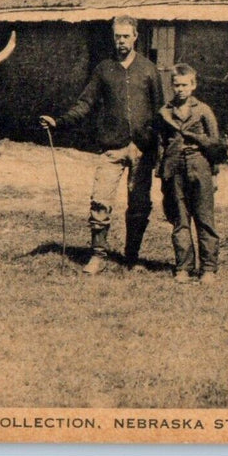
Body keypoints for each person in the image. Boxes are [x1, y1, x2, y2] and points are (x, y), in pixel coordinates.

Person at [39, 16, 164, 274]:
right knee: (100, 201)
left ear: (135, 37)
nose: (121, 41)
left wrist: (159, 148)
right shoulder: (103, 69)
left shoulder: (149, 70)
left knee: (139, 205)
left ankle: (132, 256)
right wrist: (59, 122)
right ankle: (97, 255)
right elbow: (85, 104)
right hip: (112, 147)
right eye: (117, 36)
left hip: (142, 149)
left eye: (126, 36)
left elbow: (159, 111)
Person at [156, 64, 223, 284]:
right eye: (176, 85)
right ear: (171, 85)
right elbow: (161, 145)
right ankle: (183, 266)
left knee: (204, 218)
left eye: (185, 85)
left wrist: (213, 172)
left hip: (199, 166)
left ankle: (208, 268)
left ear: (193, 86)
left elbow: (216, 144)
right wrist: (163, 173)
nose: (180, 89)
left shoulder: (203, 110)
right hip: (174, 169)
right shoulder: (165, 112)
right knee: (180, 219)